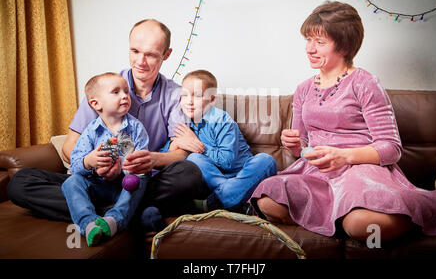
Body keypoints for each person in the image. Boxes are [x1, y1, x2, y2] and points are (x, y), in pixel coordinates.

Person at [250, 1, 436, 242]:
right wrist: (294, 146)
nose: (310, 49)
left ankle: (420, 212)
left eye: (320, 42)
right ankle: (334, 218)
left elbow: (391, 148)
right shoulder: (303, 89)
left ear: (343, 46)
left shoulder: (365, 83)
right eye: (308, 40)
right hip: (318, 175)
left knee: (362, 227)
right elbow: (302, 149)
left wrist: (344, 156)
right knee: (268, 201)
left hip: (360, 171)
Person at [7, 19, 210, 229]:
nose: (140, 61)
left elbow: (180, 154)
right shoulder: (105, 87)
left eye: (150, 54)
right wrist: (96, 164)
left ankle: (100, 212)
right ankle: (124, 214)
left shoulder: (177, 95)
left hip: (137, 182)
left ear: (166, 55)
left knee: (189, 174)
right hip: (97, 182)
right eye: (135, 51)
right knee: (20, 182)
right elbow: (69, 147)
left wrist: (151, 159)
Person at [167, 70, 277, 212]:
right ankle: (236, 201)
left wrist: (196, 144)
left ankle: (215, 203)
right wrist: (174, 144)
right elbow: (169, 152)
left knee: (266, 160)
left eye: (198, 95)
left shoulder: (221, 120)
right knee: (194, 158)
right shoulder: (184, 121)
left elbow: (227, 161)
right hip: (214, 180)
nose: (189, 101)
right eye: (184, 95)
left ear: (212, 99)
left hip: (242, 174)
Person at [62, 72, 150, 246]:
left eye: (126, 91)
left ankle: (114, 220)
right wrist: (90, 161)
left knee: (140, 177)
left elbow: (141, 162)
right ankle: (89, 223)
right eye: (116, 92)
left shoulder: (134, 128)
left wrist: (124, 168)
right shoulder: (91, 131)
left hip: (125, 187)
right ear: (96, 104)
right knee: (70, 182)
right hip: (98, 186)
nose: (125, 95)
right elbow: (75, 165)